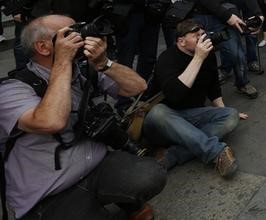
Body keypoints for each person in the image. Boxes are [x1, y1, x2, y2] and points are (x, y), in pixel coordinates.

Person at [0, 15, 165, 219]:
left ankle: (126, 201)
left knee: (151, 175)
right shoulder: (11, 89)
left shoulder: (83, 69)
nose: (82, 35)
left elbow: (138, 87)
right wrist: (62, 62)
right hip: (50, 191)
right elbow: (52, 121)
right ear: (43, 47)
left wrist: (104, 63)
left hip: (95, 166)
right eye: (71, 32)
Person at [142, 19, 245, 178]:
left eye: (203, 34)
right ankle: (215, 152)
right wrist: (198, 58)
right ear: (181, 41)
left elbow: (213, 88)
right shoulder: (166, 59)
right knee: (158, 112)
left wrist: (223, 110)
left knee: (231, 115)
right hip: (165, 120)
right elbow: (174, 95)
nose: (202, 38)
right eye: (196, 35)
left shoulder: (208, 56)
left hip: (192, 115)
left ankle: (173, 155)